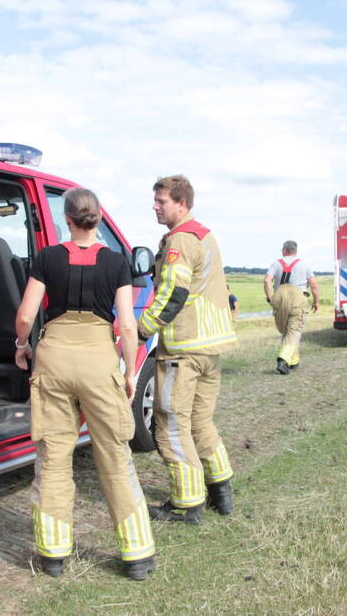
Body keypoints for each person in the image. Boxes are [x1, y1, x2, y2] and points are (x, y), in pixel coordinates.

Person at [14, 187, 155, 580]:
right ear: (97, 217)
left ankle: (53, 555)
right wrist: (129, 373)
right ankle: (137, 555)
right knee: (114, 456)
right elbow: (126, 325)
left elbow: (26, 315)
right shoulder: (116, 262)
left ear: (68, 218)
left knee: (54, 457)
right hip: (98, 360)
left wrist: (22, 346)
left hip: (54, 358)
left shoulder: (46, 258)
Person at [138, 175, 237, 524]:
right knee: (200, 422)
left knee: (170, 425)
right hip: (210, 349)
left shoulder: (179, 239)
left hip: (182, 351)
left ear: (181, 203)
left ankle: (186, 503)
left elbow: (172, 293)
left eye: (161, 200)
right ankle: (221, 490)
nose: (155, 205)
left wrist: (142, 328)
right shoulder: (205, 236)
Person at [263, 241, 320, 374]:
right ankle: (283, 360)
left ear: (284, 250)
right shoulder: (304, 264)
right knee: (294, 330)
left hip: (279, 299)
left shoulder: (276, 263)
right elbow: (314, 285)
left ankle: (293, 361)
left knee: (286, 330)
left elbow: (266, 280)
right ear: (295, 251)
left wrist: (269, 297)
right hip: (297, 299)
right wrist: (316, 301)